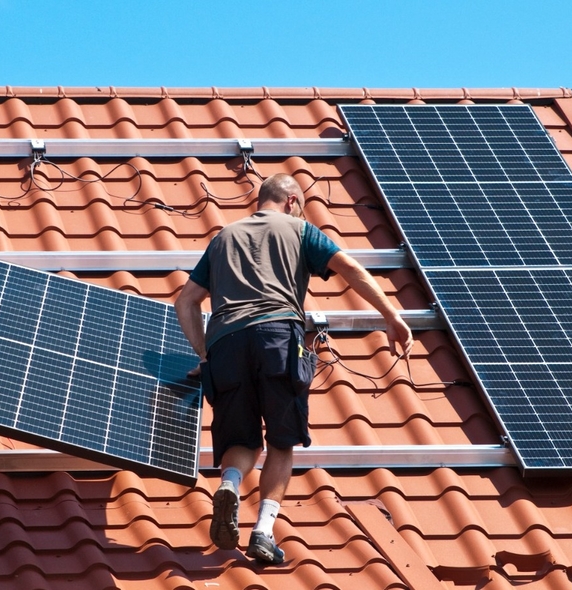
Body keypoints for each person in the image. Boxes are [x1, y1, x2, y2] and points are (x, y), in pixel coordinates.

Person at [174, 173, 413, 565]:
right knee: (282, 441)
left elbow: (186, 303)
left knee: (242, 440)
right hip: (277, 337)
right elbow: (349, 268)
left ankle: (231, 485)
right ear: (290, 201)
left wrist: (205, 356)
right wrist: (391, 315)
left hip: (226, 344)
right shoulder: (300, 229)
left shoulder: (222, 239)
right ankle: (264, 532)